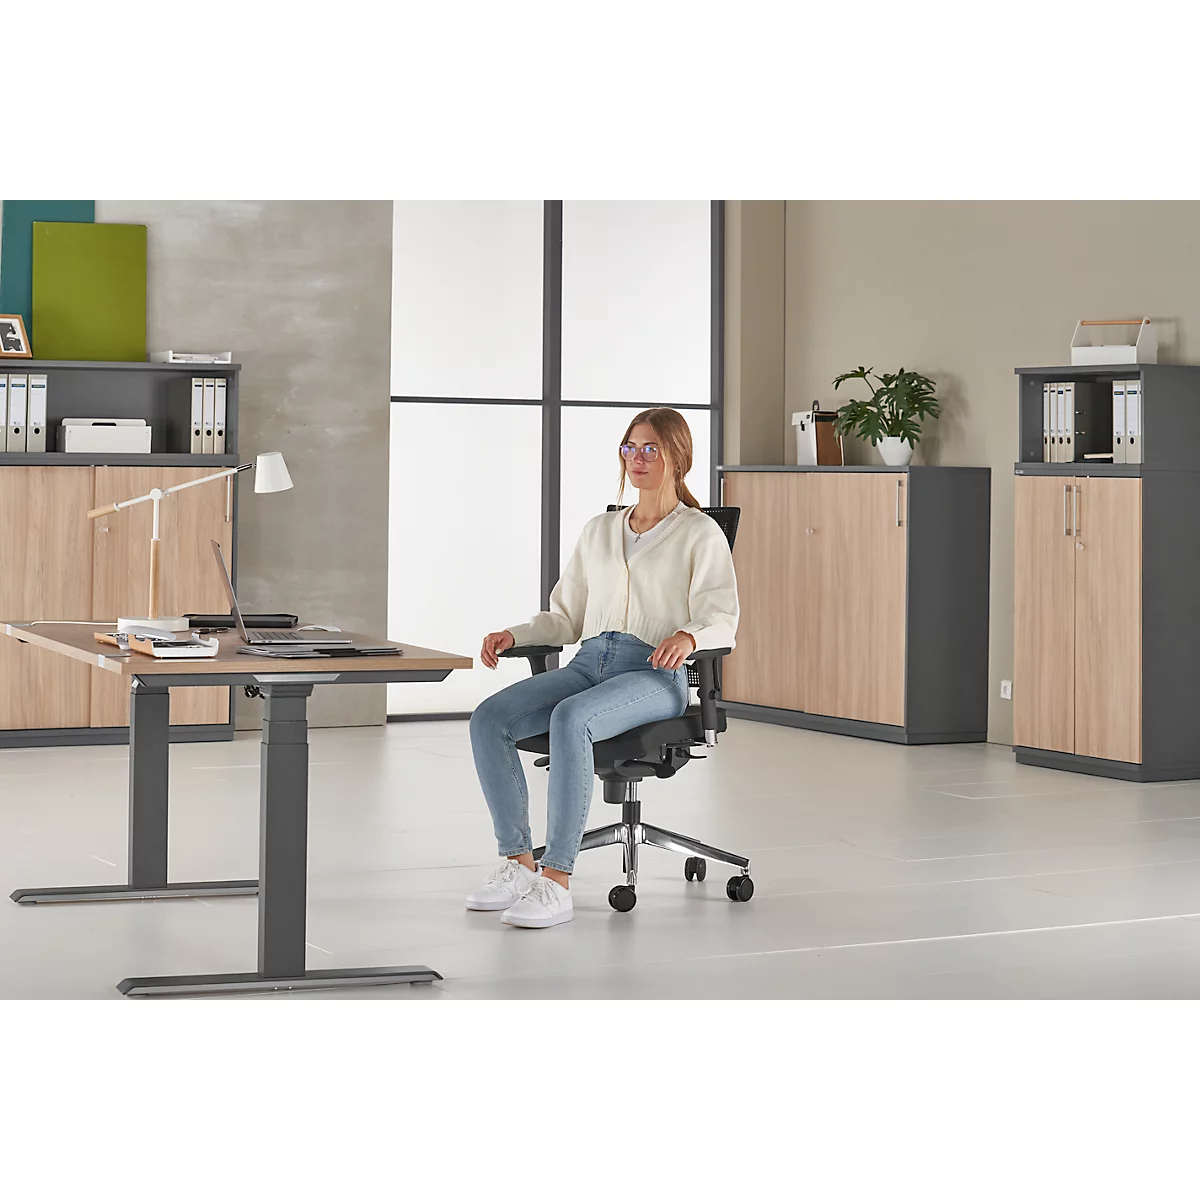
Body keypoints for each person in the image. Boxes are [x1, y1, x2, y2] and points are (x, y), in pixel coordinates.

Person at [466, 406, 739, 929]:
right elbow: (567, 619)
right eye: (629, 447)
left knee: (572, 718)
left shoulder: (700, 533)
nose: (636, 458)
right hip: (591, 660)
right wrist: (516, 635)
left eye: (650, 448)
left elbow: (723, 618)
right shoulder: (598, 530)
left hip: (654, 674)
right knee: (489, 719)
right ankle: (519, 863)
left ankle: (557, 881)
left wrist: (689, 636)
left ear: (678, 457)